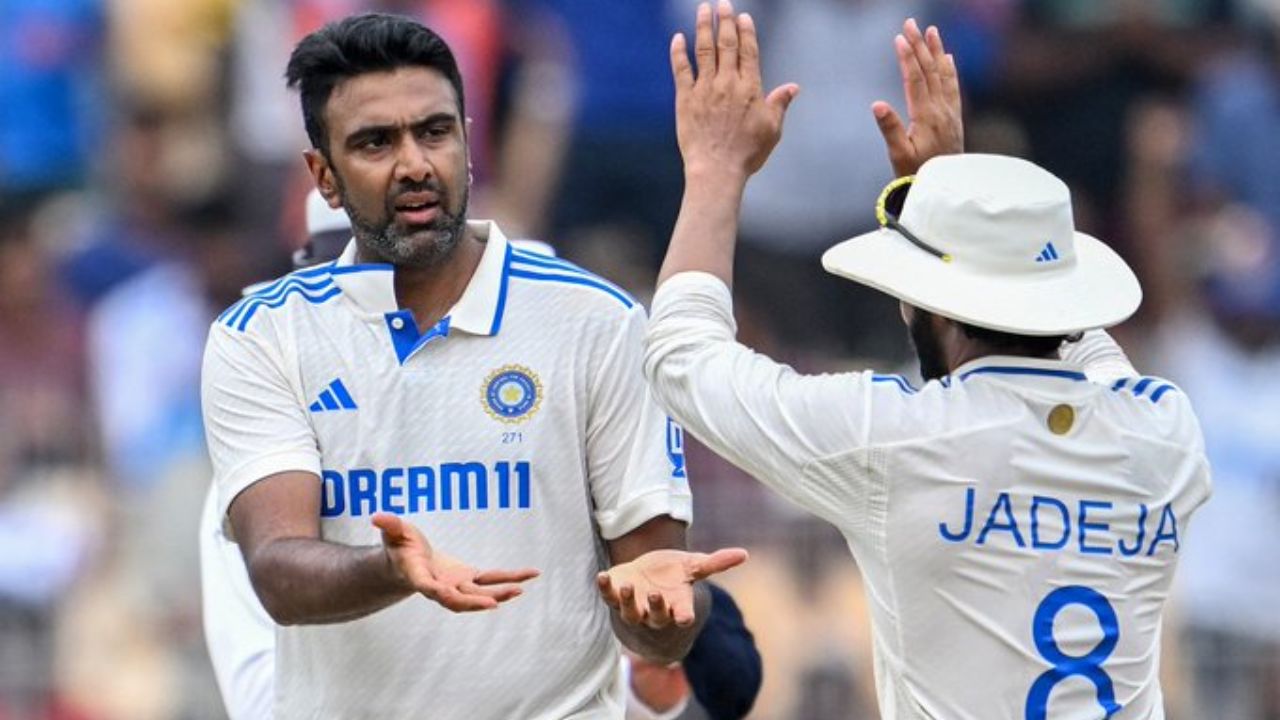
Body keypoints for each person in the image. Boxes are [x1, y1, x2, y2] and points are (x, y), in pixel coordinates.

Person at [642, 2, 1212, 718]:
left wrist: (714, 170)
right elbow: (1083, 345)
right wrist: (955, 200)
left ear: (930, 304)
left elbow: (682, 357)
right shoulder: (1165, 433)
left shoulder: (896, 437)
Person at [200, 13, 747, 719]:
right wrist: (390, 570)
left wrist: (669, 618)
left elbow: (652, 602)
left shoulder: (599, 323)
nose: (414, 164)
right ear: (323, 177)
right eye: (375, 142)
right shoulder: (261, 336)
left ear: (466, 142)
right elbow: (278, 575)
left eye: (434, 132)